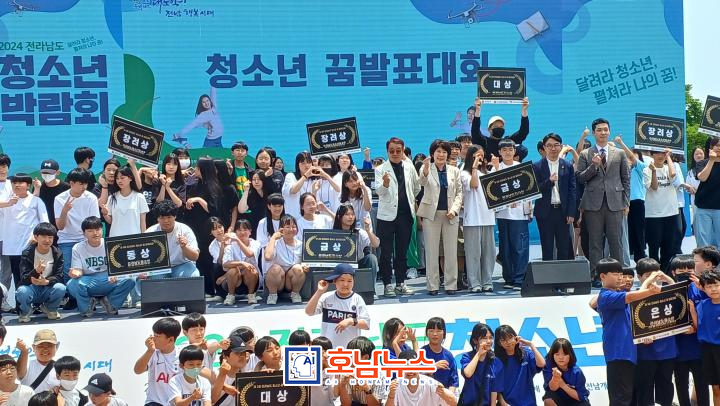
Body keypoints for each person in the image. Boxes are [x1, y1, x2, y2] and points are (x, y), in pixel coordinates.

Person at [594, 257, 664, 406]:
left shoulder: (617, 295)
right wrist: (650, 287)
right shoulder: (606, 296)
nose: (620, 277)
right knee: (621, 399)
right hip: (618, 353)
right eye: (615, 274)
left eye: (621, 274)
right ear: (602, 276)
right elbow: (631, 296)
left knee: (628, 397)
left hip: (628, 353)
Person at [575, 118, 630, 273]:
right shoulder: (585, 154)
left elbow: (626, 179)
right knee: (595, 242)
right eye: (599, 130)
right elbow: (580, 178)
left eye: (605, 129)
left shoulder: (619, 153)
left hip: (616, 203)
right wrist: (594, 166)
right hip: (593, 204)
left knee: (616, 242)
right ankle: (596, 276)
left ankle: (618, 275)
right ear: (594, 133)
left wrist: (626, 202)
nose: (603, 132)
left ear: (609, 131)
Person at [375, 137, 421, 297]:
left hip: (405, 215)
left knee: (402, 252)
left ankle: (400, 283)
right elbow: (378, 192)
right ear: (387, 151)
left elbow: (416, 188)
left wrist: (409, 199)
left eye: (398, 151)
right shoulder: (380, 169)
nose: (395, 153)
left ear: (403, 151)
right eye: (391, 151)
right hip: (386, 216)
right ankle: (387, 284)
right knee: (386, 253)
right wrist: (385, 184)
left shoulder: (409, 166)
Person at [418, 140, 463, 295]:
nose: (441, 155)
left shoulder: (454, 170)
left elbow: (459, 193)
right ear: (432, 153)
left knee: (451, 251)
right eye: (438, 151)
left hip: (450, 214)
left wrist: (455, 210)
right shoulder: (426, 167)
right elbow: (421, 183)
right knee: (431, 251)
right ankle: (432, 285)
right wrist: (425, 169)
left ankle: (451, 285)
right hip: (431, 214)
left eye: (444, 152)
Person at [67, 216, 135, 317]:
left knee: (130, 279)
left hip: (108, 279)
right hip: (89, 280)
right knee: (72, 284)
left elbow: (120, 267)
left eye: (98, 229)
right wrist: (75, 273)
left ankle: (110, 303)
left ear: (102, 229)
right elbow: (78, 270)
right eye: (90, 231)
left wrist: (116, 273)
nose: (95, 233)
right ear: (84, 233)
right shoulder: (77, 247)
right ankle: (87, 306)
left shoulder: (111, 244)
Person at [633, 258, 677, 406]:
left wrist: (668, 279)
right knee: (645, 388)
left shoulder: (666, 291)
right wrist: (648, 282)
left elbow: (680, 294)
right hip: (645, 351)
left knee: (665, 386)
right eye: (647, 275)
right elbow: (637, 302)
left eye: (655, 275)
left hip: (667, 349)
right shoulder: (636, 294)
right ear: (639, 277)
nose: (653, 279)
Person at [669, 255, 710, 406]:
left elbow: (711, 314)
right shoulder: (667, 292)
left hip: (699, 348)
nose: (686, 272)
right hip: (678, 349)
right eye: (681, 270)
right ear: (673, 272)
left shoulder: (703, 289)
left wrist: (703, 288)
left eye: (690, 269)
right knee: (681, 385)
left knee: (702, 385)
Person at [492, 138, 532, 290]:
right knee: (505, 248)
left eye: (510, 150)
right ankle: (508, 278)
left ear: (514, 151)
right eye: (504, 150)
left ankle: (519, 279)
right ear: (499, 152)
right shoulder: (495, 168)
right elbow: (492, 189)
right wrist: (496, 168)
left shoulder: (522, 168)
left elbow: (529, 191)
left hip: (519, 214)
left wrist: (527, 209)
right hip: (502, 215)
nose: (507, 152)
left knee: (520, 247)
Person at [304, 263, 371, 348]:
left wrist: (351, 321)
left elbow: (366, 324)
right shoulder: (326, 297)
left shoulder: (357, 299)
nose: (345, 284)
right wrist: (319, 292)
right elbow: (309, 312)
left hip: (350, 349)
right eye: (342, 280)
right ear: (335, 281)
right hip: (328, 349)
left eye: (349, 281)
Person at [533, 133, 577, 261]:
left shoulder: (567, 166)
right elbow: (535, 189)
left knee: (564, 246)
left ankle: (563, 272)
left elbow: (572, 190)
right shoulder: (537, 166)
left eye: (556, 145)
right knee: (547, 246)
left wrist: (571, 212)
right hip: (545, 212)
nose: (553, 148)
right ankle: (547, 273)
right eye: (549, 146)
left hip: (562, 212)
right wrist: (549, 181)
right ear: (544, 148)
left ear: (561, 146)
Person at [2, 172, 49, 288]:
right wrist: (8, 203)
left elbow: (44, 222)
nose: (16, 185)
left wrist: (36, 237)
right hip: (12, 247)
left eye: (20, 182)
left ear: (28, 185)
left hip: (29, 245)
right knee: (17, 276)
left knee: (32, 276)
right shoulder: (6, 200)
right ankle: (19, 299)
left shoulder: (36, 201)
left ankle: (33, 298)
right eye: (14, 183)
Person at [460, 145, 496, 293]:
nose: (480, 158)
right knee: (473, 253)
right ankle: (474, 283)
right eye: (477, 155)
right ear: (471, 156)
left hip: (488, 217)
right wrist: (474, 167)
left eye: (481, 155)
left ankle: (487, 281)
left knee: (489, 253)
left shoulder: (487, 172)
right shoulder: (464, 173)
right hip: (472, 219)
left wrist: (496, 166)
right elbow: (474, 184)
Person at [54, 168, 100, 284]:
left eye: (85, 183)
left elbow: (95, 223)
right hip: (67, 240)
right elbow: (60, 226)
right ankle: (68, 294)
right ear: (71, 183)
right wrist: (64, 211)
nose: (84, 187)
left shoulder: (91, 198)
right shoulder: (60, 199)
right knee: (68, 272)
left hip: (86, 240)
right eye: (81, 184)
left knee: (88, 270)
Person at [16, 223, 66, 322]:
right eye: (43, 236)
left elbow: (59, 276)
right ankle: (25, 311)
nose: (47, 240)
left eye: (50, 237)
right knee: (22, 291)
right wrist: (36, 271)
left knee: (61, 288)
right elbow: (23, 278)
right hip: (31, 287)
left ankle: (50, 309)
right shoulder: (27, 253)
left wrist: (47, 281)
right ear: (36, 237)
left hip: (48, 287)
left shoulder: (57, 253)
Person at [643, 148, 680, 272]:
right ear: (651, 154)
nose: (661, 156)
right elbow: (654, 187)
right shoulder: (647, 170)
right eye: (657, 153)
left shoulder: (670, 167)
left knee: (669, 246)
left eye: (663, 153)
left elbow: (673, 175)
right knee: (654, 246)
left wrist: (668, 157)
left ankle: (666, 272)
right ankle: (653, 272)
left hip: (671, 212)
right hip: (654, 214)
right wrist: (654, 171)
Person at [133, 317, 181, 406]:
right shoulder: (152, 353)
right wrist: (149, 351)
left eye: (157, 336)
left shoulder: (182, 355)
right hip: (154, 402)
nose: (153, 339)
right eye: (153, 335)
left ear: (170, 339)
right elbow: (137, 370)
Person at [146, 200, 200, 278]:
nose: (166, 221)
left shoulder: (185, 230)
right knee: (150, 278)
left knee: (193, 276)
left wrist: (185, 247)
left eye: (169, 217)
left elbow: (195, 257)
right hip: (159, 268)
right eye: (162, 218)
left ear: (175, 216)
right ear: (157, 219)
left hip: (182, 264)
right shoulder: (150, 232)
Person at [614, 137, 648, 262]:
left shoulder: (641, 168)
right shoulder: (621, 170)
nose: (630, 159)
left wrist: (621, 143)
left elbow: (633, 158)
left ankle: (640, 254)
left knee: (638, 228)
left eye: (632, 157)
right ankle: (629, 253)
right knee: (626, 229)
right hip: (624, 202)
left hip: (637, 201)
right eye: (627, 157)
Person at [690, 269, 720, 406]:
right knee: (715, 388)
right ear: (703, 288)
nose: (713, 289)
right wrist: (692, 311)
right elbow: (699, 327)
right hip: (707, 350)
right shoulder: (702, 305)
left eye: (717, 285)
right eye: (709, 286)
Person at [494, 325, 545, 405]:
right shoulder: (496, 360)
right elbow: (495, 386)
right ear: (499, 343)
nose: (508, 342)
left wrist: (531, 345)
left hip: (528, 403)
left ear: (516, 337)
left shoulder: (526, 353)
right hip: (507, 403)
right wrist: (503, 403)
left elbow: (542, 364)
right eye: (503, 340)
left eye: (510, 337)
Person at [386, 349, 458, 406]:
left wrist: (443, 393)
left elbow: (454, 402)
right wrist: (391, 395)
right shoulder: (395, 385)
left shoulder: (430, 383)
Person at [263, 214, 308, 304]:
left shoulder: (301, 244)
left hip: (290, 281)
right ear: (281, 229)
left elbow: (306, 262)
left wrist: (305, 266)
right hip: (277, 280)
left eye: (293, 227)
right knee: (275, 268)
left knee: (298, 268)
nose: (291, 229)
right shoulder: (275, 242)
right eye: (287, 227)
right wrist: (273, 238)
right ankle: (272, 295)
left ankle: (295, 294)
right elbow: (267, 257)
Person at [458, 323, 502, 406]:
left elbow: (494, 389)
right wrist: (478, 354)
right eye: (484, 338)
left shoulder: (495, 361)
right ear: (475, 340)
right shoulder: (467, 357)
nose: (489, 341)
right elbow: (468, 373)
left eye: (490, 338)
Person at [332, 203, 380, 281]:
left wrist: (368, 230)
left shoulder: (359, 232)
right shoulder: (332, 234)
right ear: (339, 217)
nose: (351, 217)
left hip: (357, 266)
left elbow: (376, 244)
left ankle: (370, 288)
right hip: (337, 267)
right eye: (347, 214)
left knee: (371, 258)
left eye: (352, 214)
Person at [337, 336, 389, 405]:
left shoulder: (378, 375)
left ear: (366, 357)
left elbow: (376, 404)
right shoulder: (346, 372)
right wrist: (342, 386)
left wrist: (367, 390)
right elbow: (346, 404)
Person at [221, 219, 261, 305]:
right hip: (235, 281)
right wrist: (241, 263)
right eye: (239, 230)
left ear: (250, 231)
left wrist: (238, 241)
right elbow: (225, 263)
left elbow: (249, 254)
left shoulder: (256, 243)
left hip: (251, 279)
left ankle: (251, 295)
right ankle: (231, 296)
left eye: (245, 229)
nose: (242, 232)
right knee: (232, 270)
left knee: (251, 270)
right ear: (235, 232)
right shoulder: (230, 245)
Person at [101, 164, 148, 238]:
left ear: (130, 178)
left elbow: (143, 222)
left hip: (134, 238)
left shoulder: (139, 197)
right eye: (117, 178)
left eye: (122, 178)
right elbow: (111, 221)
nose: (119, 181)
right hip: (116, 238)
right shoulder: (112, 197)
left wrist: (144, 238)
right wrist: (104, 214)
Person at [542, 338, 590, 406]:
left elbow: (580, 397)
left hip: (576, 400)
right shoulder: (548, 365)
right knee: (548, 400)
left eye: (564, 354)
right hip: (559, 397)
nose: (561, 357)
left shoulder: (577, 372)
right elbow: (552, 388)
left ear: (570, 355)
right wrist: (555, 378)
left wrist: (563, 385)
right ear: (552, 355)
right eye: (557, 354)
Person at [693, 137, 720, 248]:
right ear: (711, 147)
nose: (719, 148)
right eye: (717, 145)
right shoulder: (702, 163)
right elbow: (702, 178)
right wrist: (711, 160)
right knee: (703, 243)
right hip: (703, 207)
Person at [211, 335, 253, 406]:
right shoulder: (215, 374)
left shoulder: (248, 376)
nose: (242, 356)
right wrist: (222, 375)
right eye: (237, 353)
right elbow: (213, 400)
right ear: (225, 356)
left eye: (244, 352)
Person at [422, 317, 459, 393]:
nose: (435, 334)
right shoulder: (421, 353)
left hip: (444, 397)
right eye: (431, 331)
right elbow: (414, 375)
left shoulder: (448, 356)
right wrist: (433, 367)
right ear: (427, 333)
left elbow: (453, 381)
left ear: (444, 333)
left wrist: (448, 396)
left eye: (438, 331)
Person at [282, 151, 320, 218]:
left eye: (309, 162)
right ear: (297, 165)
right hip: (293, 219)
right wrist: (306, 175)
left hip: (309, 219)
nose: (307, 165)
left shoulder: (315, 180)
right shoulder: (291, 176)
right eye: (303, 163)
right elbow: (293, 190)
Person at [36, 159, 70, 229]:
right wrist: (37, 189)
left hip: (63, 227)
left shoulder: (66, 187)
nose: (46, 175)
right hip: (44, 227)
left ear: (58, 172)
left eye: (49, 173)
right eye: (44, 172)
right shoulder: (38, 187)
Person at [310, 336, 340, 406]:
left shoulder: (332, 368)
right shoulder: (308, 367)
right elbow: (315, 381)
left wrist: (336, 372)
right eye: (322, 352)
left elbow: (335, 394)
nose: (326, 355)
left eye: (327, 351)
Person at [237, 170, 267, 235]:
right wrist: (246, 191)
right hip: (255, 227)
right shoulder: (250, 194)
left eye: (259, 179)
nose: (256, 182)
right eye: (254, 179)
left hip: (267, 225)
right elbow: (241, 210)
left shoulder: (269, 192)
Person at [0, 154, 13, 295]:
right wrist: (8, 203)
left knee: (6, 270)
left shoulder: (14, 184)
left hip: (9, 235)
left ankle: (2, 298)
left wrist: (37, 189)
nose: (1, 169)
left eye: (4, 166)